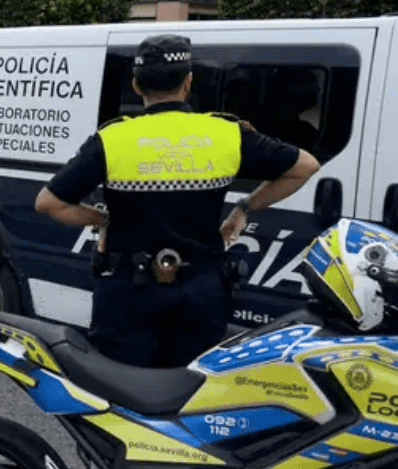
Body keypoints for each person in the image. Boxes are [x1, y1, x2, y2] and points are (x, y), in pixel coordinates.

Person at [33, 35, 321, 368]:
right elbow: (305, 167)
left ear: (137, 86)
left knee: (123, 387)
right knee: (192, 388)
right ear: (188, 82)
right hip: (200, 289)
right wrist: (243, 210)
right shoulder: (225, 133)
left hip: (129, 290)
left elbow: (48, 203)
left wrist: (103, 220)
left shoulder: (113, 139)